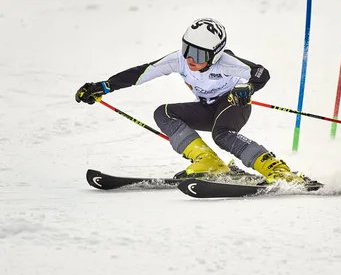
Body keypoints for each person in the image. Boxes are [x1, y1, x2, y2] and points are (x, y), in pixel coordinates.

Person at [75, 17, 302, 183]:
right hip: (206, 108)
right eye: (187, 49)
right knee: (162, 113)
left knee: (222, 134)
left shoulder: (226, 62)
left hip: (232, 104)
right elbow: (141, 73)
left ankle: (277, 169)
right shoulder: (179, 60)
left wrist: (248, 88)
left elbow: (261, 72)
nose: (191, 59)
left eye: (200, 54)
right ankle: (209, 162)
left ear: (215, 54)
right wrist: (104, 86)